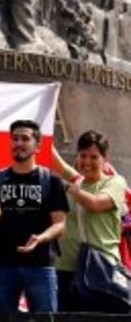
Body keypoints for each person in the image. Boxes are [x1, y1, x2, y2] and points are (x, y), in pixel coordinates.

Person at [0, 119, 69, 312]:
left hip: (40, 266)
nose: (19, 143)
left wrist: (40, 238)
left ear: (38, 146)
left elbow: (60, 225)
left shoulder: (51, 181)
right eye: (15, 139)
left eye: (25, 139)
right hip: (4, 266)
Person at [49, 131, 128, 310]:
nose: (87, 162)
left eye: (94, 157)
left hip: (101, 269)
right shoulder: (77, 182)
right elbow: (56, 162)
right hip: (66, 270)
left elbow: (95, 204)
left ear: (104, 159)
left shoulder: (115, 182)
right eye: (83, 155)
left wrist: (69, 188)